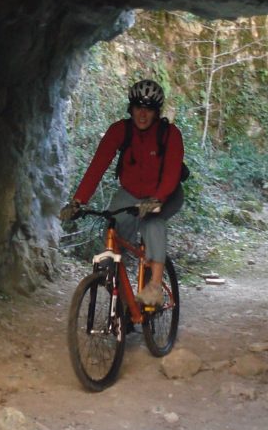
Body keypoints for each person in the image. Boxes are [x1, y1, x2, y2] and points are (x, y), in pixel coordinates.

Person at [60, 79, 185, 307]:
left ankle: (155, 287)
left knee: (152, 223)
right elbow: (97, 166)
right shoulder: (120, 130)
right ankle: (124, 301)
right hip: (131, 193)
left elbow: (171, 174)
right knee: (113, 228)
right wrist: (78, 201)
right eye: (138, 107)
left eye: (148, 109)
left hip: (166, 193)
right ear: (131, 108)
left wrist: (157, 200)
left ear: (157, 112)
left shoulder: (170, 134)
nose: (143, 115)